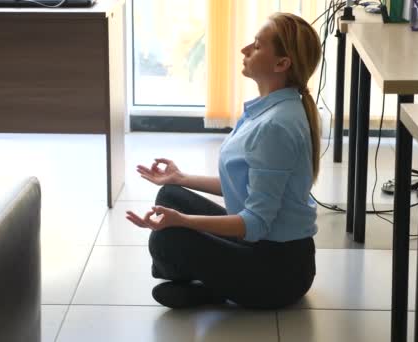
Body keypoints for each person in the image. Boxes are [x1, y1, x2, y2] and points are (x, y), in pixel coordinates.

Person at [126, 12, 322, 309]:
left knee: (169, 238)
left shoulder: (275, 127)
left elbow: (255, 223)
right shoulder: (270, 108)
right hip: (264, 249)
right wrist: (180, 179)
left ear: (282, 64)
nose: (245, 50)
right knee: (170, 194)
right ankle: (210, 281)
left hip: (279, 272)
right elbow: (245, 186)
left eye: (257, 46)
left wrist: (184, 222)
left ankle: (210, 282)